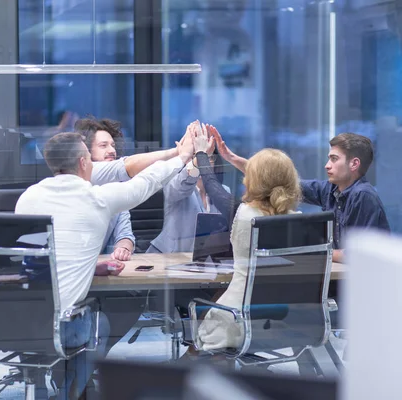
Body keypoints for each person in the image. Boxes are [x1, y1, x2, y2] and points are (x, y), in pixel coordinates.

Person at [15, 131, 194, 399]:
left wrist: (89, 266)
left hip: (19, 319)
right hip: (64, 326)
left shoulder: (28, 198)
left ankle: (49, 388)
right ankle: (70, 393)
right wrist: (183, 156)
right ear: (84, 163)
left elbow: (37, 260)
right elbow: (147, 181)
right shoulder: (96, 199)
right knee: (100, 323)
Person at [192, 125, 302, 350]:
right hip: (284, 321)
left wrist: (201, 153)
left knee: (209, 302)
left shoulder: (243, 214)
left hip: (237, 320)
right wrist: (231, 157)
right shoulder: (297, 221)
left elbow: (212, 186)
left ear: (252, 179)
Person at [211, 130, 390, 263]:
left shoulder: (363, 196)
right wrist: (233, 159)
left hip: (365, 287)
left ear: (354, 164)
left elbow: (358, 256)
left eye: (334, 159)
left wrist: (312, 251)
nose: (327, 165)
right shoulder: (332, 190)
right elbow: (277, 180)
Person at [148, 121, 230, 253]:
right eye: (195, 156)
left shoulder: (224, 190)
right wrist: (200, 156)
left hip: (203, 261)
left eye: (209, 157)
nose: (204, 162)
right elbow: (183, 184)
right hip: (168, 258)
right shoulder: (174, 182)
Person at [74, 116, 134, 260]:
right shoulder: (77, 187)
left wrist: (123, 248)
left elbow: (125, 234)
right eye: (103, 145)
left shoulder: (117, 188)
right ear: (86, 151)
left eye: (113, 145)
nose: (112, 150)